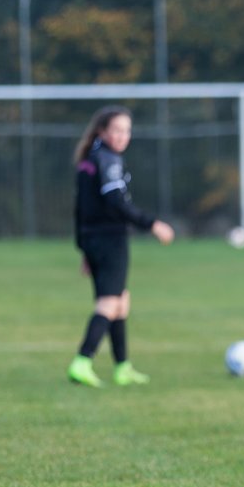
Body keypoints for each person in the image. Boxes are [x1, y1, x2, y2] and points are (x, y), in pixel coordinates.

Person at [67, 106, 175, 387]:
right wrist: (152, 224)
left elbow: (79, 209)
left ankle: (122, 367)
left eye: (126, 130)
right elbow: (116, 202)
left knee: (121, 302)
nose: (122, 136)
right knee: (109, 303)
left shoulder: (89, 159)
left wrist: (84, 249)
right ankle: (82, 361)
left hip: (93, 239)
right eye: (116, 129)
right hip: (110, 239)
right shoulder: (108, 160)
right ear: (102, 131)